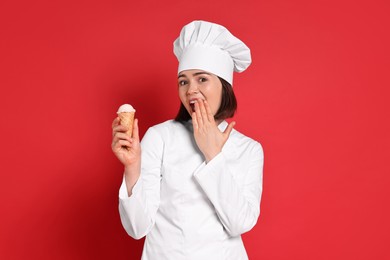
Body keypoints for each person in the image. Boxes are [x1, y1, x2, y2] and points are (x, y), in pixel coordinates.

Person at [111, 20, 264, 260]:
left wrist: (213, 155)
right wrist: (132, 167)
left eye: (202, 79)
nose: (190, 89)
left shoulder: (249, 149)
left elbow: (239, 223)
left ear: (224, 86)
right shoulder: (160, 137)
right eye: (183, 81)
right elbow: (137, 228)